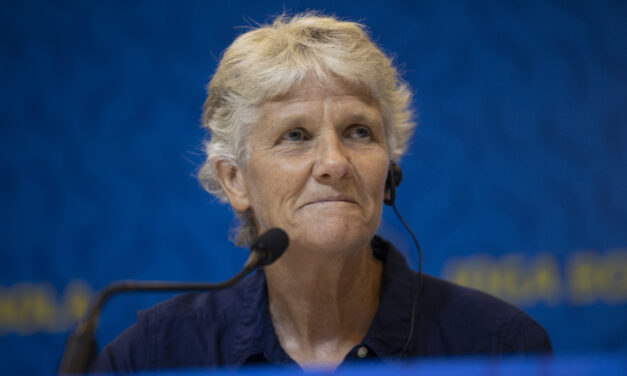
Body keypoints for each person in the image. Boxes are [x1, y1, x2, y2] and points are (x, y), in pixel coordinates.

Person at [90, 13, 552, 372]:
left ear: (389, 171)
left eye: (358, 132)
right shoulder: (154, 358)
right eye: (295, 135)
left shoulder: (497, 348)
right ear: (235, 180)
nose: (334, 163)